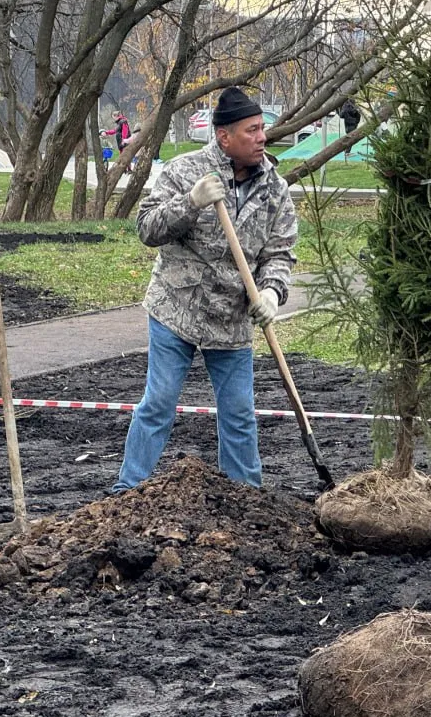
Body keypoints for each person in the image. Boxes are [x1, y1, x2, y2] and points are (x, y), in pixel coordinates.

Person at [111, 87, 297, 494]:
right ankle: (128, 489)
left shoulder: (275, 189)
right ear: (224, 137)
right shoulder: (185, 171)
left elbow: (280, 252)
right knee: (159, 402)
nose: (262, 137)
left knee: (239, 414)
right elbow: (147, 229)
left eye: (262, 128)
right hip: (176, 309)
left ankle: (246, 495)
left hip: (231, 317)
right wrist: (191, 202)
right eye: (251, 130)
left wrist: (270, 292)